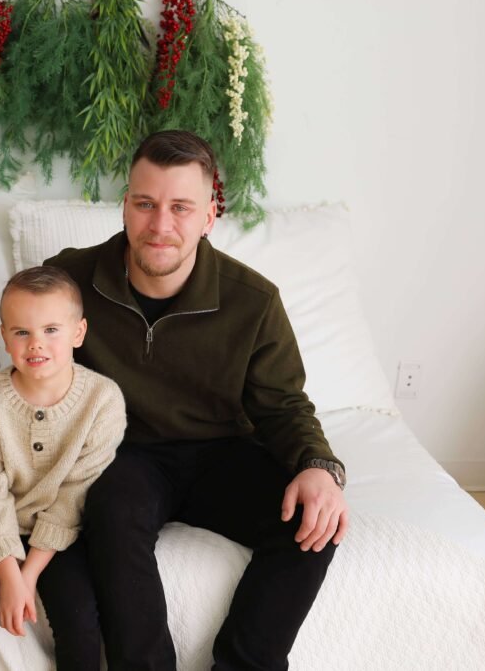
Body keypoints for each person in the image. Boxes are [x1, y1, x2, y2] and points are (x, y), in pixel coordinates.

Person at [44, 129, 349, 671]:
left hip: (221, 453)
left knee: (314, 523)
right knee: (111, 511)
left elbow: (283, 405)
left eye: (181, 207)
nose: (160, 225)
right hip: (123, 455)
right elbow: (28, 366)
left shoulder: (253, 300)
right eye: (146, 204)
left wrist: (318, 466)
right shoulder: (69, 281)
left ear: (209, 216)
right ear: (125, 207)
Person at [0, 266, 127, 670]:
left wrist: (29, 574)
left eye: (51, 330)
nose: (36, 344)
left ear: (78, 332)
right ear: (5, 336)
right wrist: (8, 572)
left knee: (80, 622)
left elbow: (74, 495)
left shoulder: (103, 400)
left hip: (62, 537)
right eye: (22, 332)